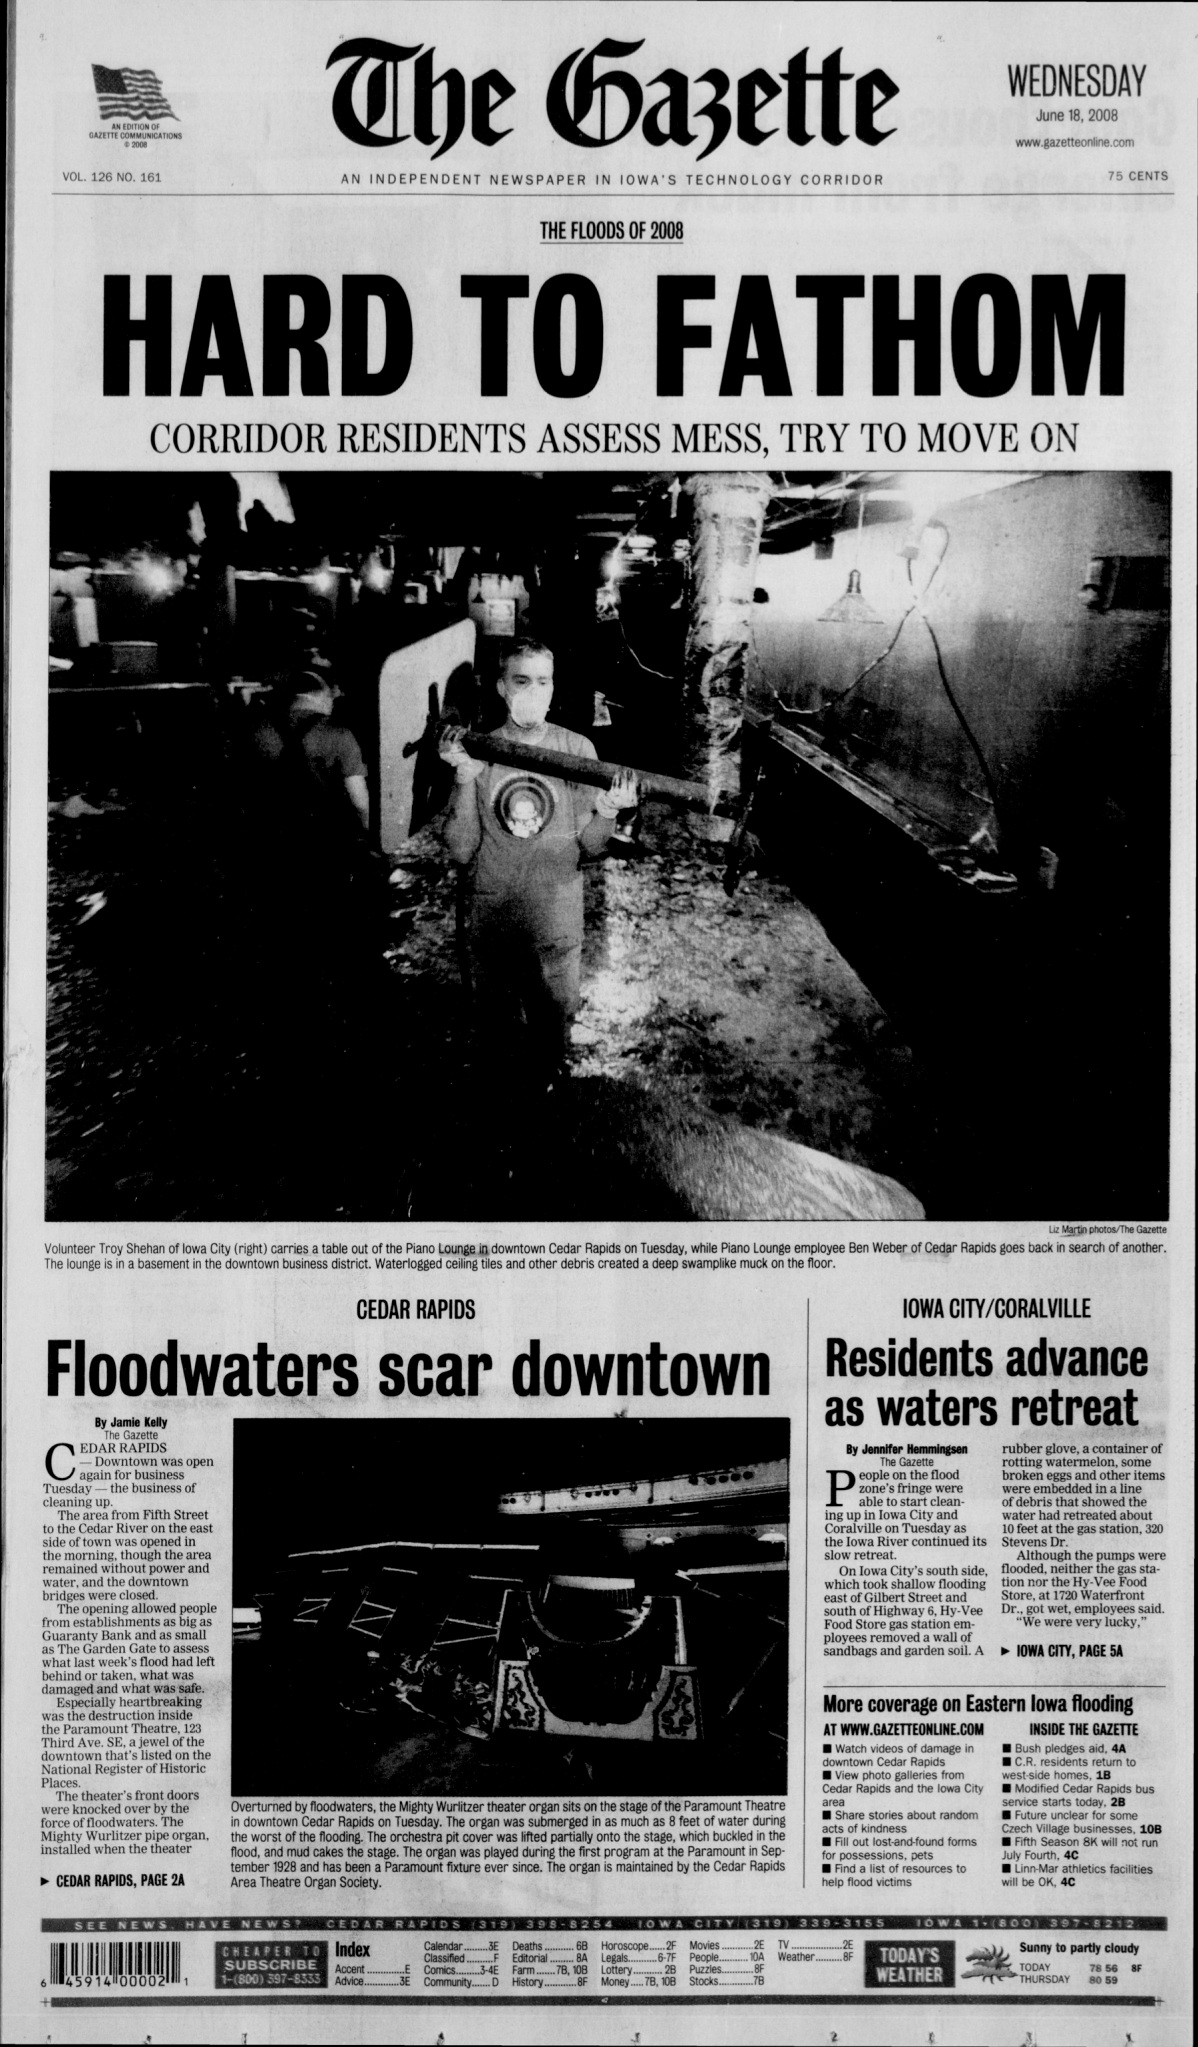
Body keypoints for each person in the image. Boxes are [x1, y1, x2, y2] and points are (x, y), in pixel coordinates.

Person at [439, 637, 637, 1080]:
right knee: (495, 1041)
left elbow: (592, 846)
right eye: (521, 680)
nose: (533, 690)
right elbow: (459, 848)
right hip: (495, 917)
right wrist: (464, 779)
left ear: (553, 687)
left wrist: (608, 810)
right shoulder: (480, 750)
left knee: (551, 1041)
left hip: (555, 920)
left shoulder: (578, 750)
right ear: (501, 687)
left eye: (542, 681)